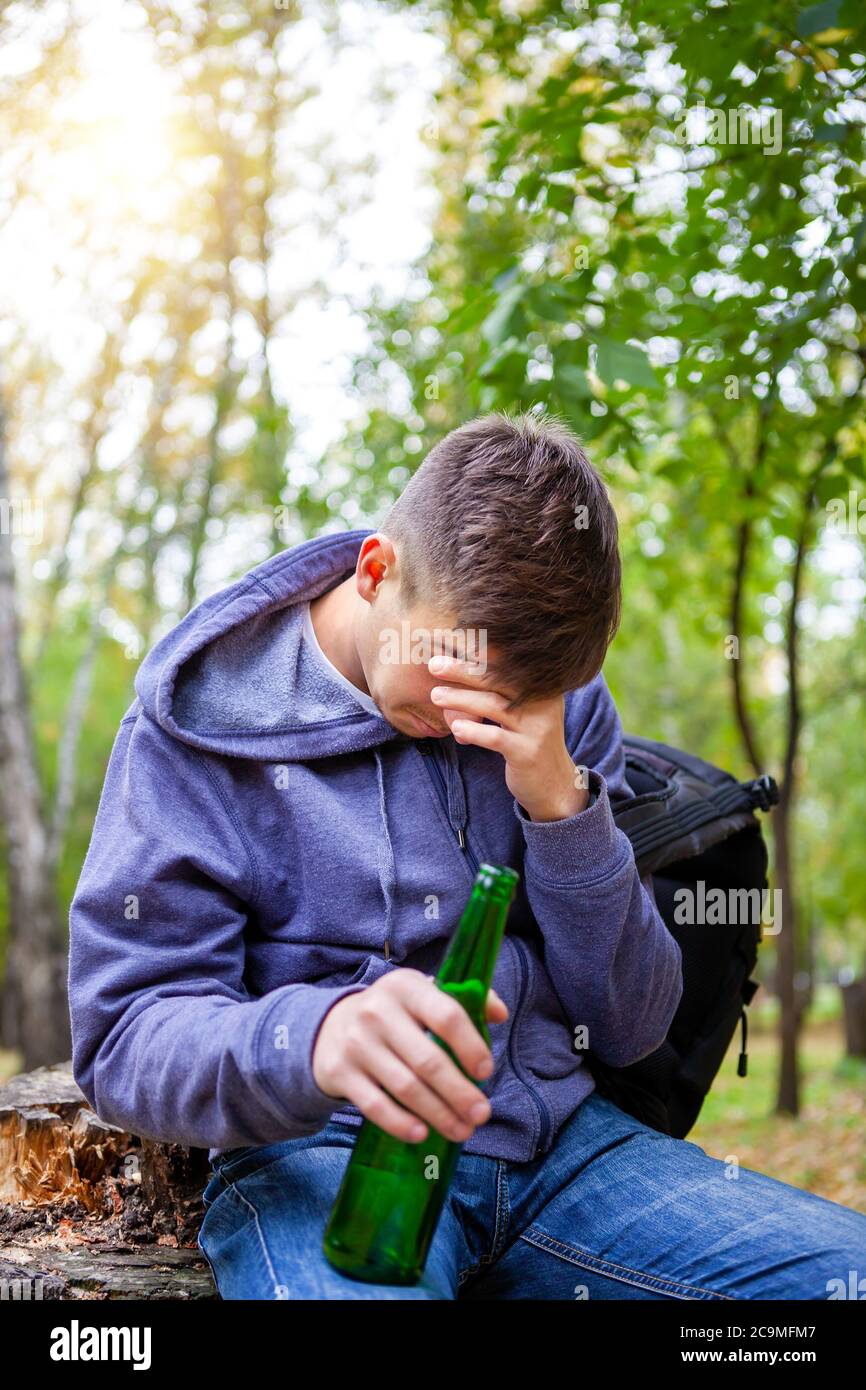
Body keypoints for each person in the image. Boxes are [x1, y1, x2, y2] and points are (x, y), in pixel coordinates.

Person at [68, 411, 866, 1299]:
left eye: (512, 702)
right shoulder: (196, 731)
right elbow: (123, 1035)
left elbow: (635, 1027)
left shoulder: (556, 701)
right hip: (329, 1159)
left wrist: (563, 808)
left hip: (566, 1150)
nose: (467, 723)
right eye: (452, 677)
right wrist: (315, 1036)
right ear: (377, 572)